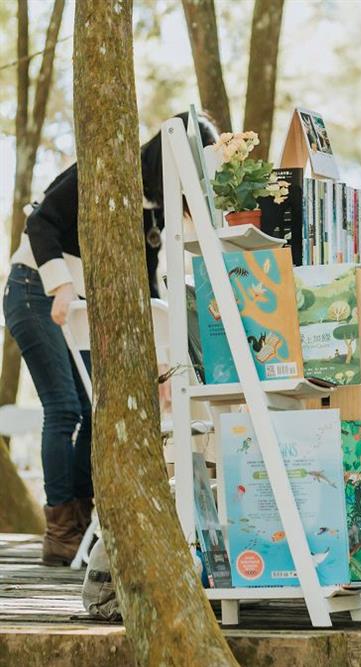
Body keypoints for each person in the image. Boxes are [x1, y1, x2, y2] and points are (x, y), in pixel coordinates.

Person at [2, 111, 218, 566]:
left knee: (91, 410)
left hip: (75, 305)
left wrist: (162, 361)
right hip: (34, 290)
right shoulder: (101, 171)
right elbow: (40, 223)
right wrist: (61, 284)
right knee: (64, 407)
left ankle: (80, 522)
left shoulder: (153, 212)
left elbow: (146, 282)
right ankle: (60, 530)